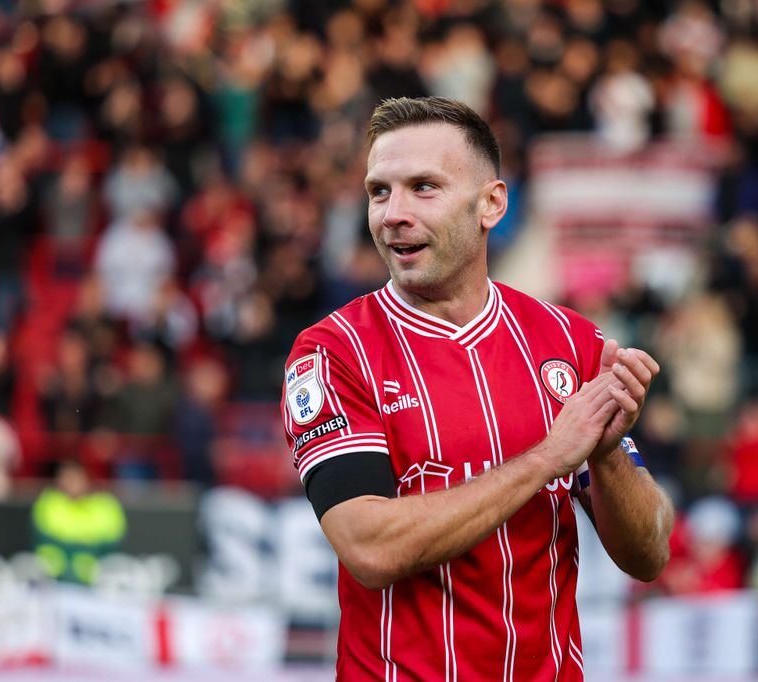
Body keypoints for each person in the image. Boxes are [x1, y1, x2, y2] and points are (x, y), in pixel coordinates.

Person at [280, 96, 674, 680]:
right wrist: (548, 458)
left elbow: (650, 554)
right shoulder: (334, 352)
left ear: (490, 204)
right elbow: (368, 547)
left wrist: (607, 451)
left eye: (423, 187)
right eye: (378, 191)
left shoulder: (570, 340)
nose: (392, 213)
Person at [31, 459, 126, 585]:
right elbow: (45, 538)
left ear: (86, 479)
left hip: (98, 581)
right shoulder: (48, 502)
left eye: (74, 478)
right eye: (66, 478)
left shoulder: (106, 505)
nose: (70, 483)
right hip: (53, 579)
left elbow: (111, 541)